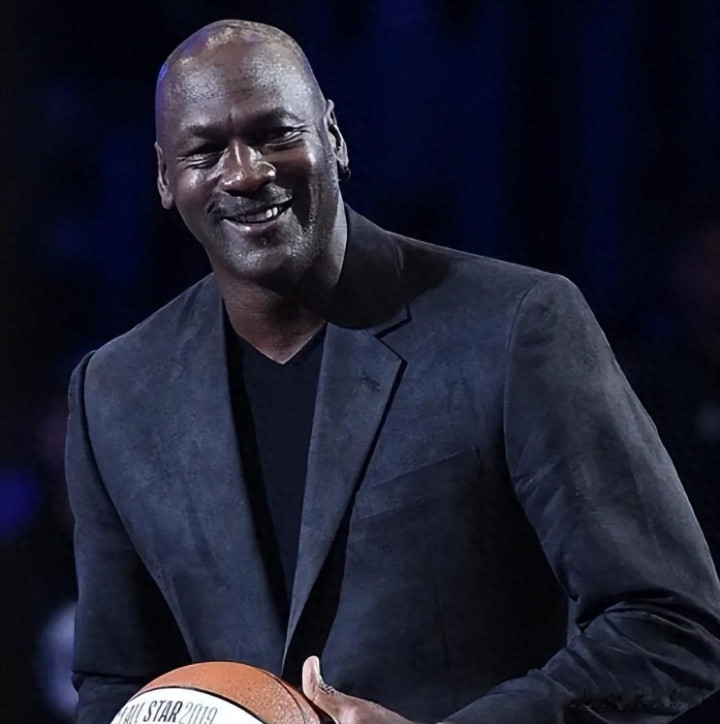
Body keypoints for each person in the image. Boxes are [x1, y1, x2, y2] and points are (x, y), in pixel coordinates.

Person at [65, 19, 720, 724]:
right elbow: (117, 685)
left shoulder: (515, 325)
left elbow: (670, 624)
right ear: (165, 178)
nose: (247, 172)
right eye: (205, 151)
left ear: (333, 138)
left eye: (276, 134)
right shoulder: (115, 392)